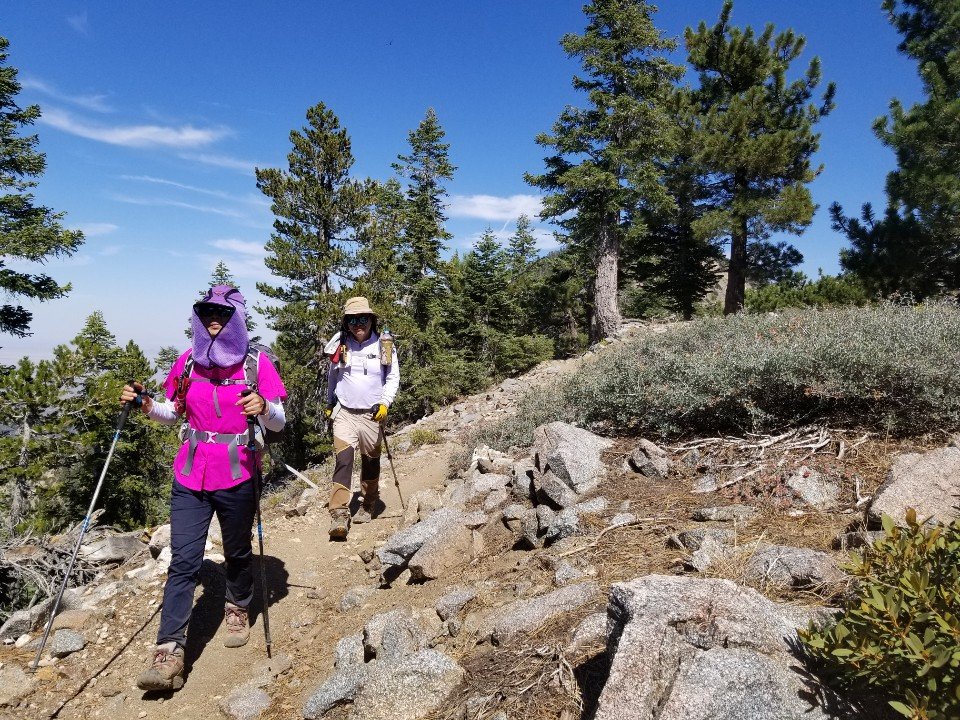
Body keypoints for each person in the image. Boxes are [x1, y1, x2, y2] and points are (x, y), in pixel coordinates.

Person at [120, 285, 286, 692]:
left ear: (236, 318)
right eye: (207, 312)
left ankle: (237, 604)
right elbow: (172, 411)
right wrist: (146, 406)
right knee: (183, 561)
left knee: (237, 550)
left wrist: (264, 407)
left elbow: (279, 421)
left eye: (222, 313)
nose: (214, 319)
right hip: (190, 474)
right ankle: (169, 651)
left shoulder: (256, 364)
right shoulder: (189, 362)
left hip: (238, 471)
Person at [323, 296, 400, 540]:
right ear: (346, 323)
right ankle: (339, 514)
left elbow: (392, 377)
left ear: (371, 320)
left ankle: (368, 503)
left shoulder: (384, 345)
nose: (358, 324)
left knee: (370, 460)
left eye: (363, 319)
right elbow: (332, 377)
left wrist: (385, 403)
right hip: (345, 412)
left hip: (371, 414)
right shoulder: (340, 344)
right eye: (352, 320)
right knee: (344, 460)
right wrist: (330, 402)